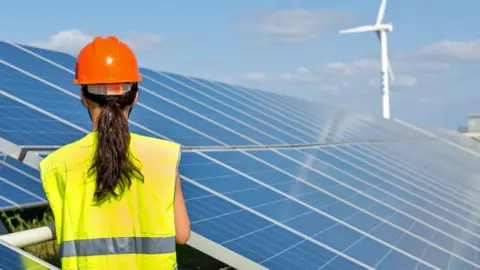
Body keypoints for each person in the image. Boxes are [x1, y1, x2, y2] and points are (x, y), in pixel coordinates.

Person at [40, 36, 190, 270]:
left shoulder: (57, 164)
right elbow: (181, 235)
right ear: (135, 95)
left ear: (83, 95)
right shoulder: (163, 157)